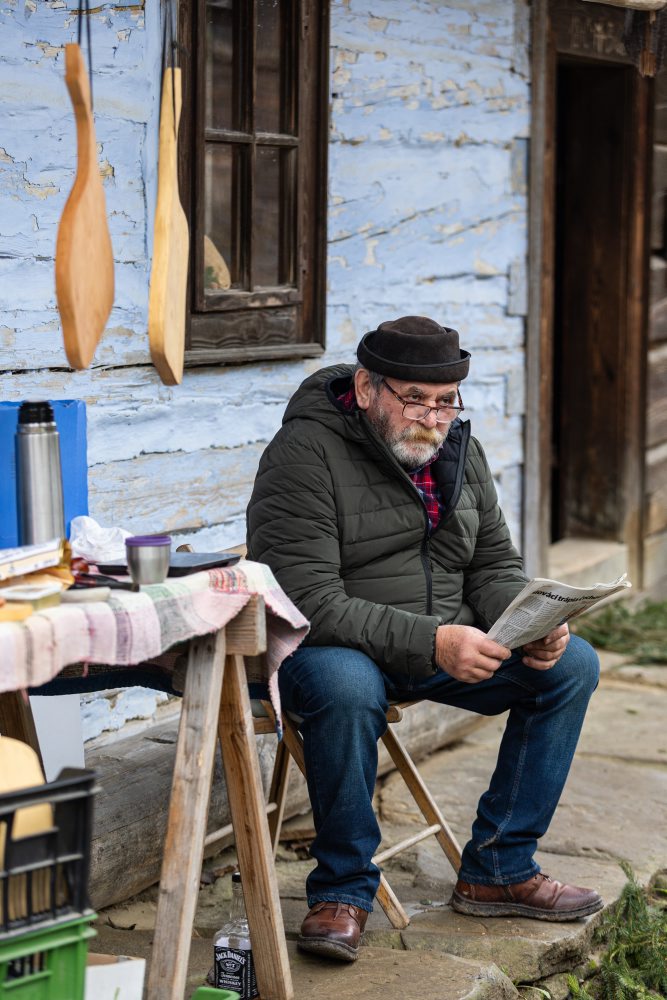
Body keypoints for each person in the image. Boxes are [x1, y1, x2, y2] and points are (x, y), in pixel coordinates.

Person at [246, 315, 602, 963]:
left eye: (444, 402)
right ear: (364, 387)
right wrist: (435, 640)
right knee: (345, 684)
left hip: (436, 642)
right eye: (414, 398)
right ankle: (343, 890)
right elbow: (305, 601)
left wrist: (533, 622)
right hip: (333, 648)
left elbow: (492, 565)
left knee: (570, 665)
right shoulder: (303, 454)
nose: (431, 418)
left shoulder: (458, 452)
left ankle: (497, 868)